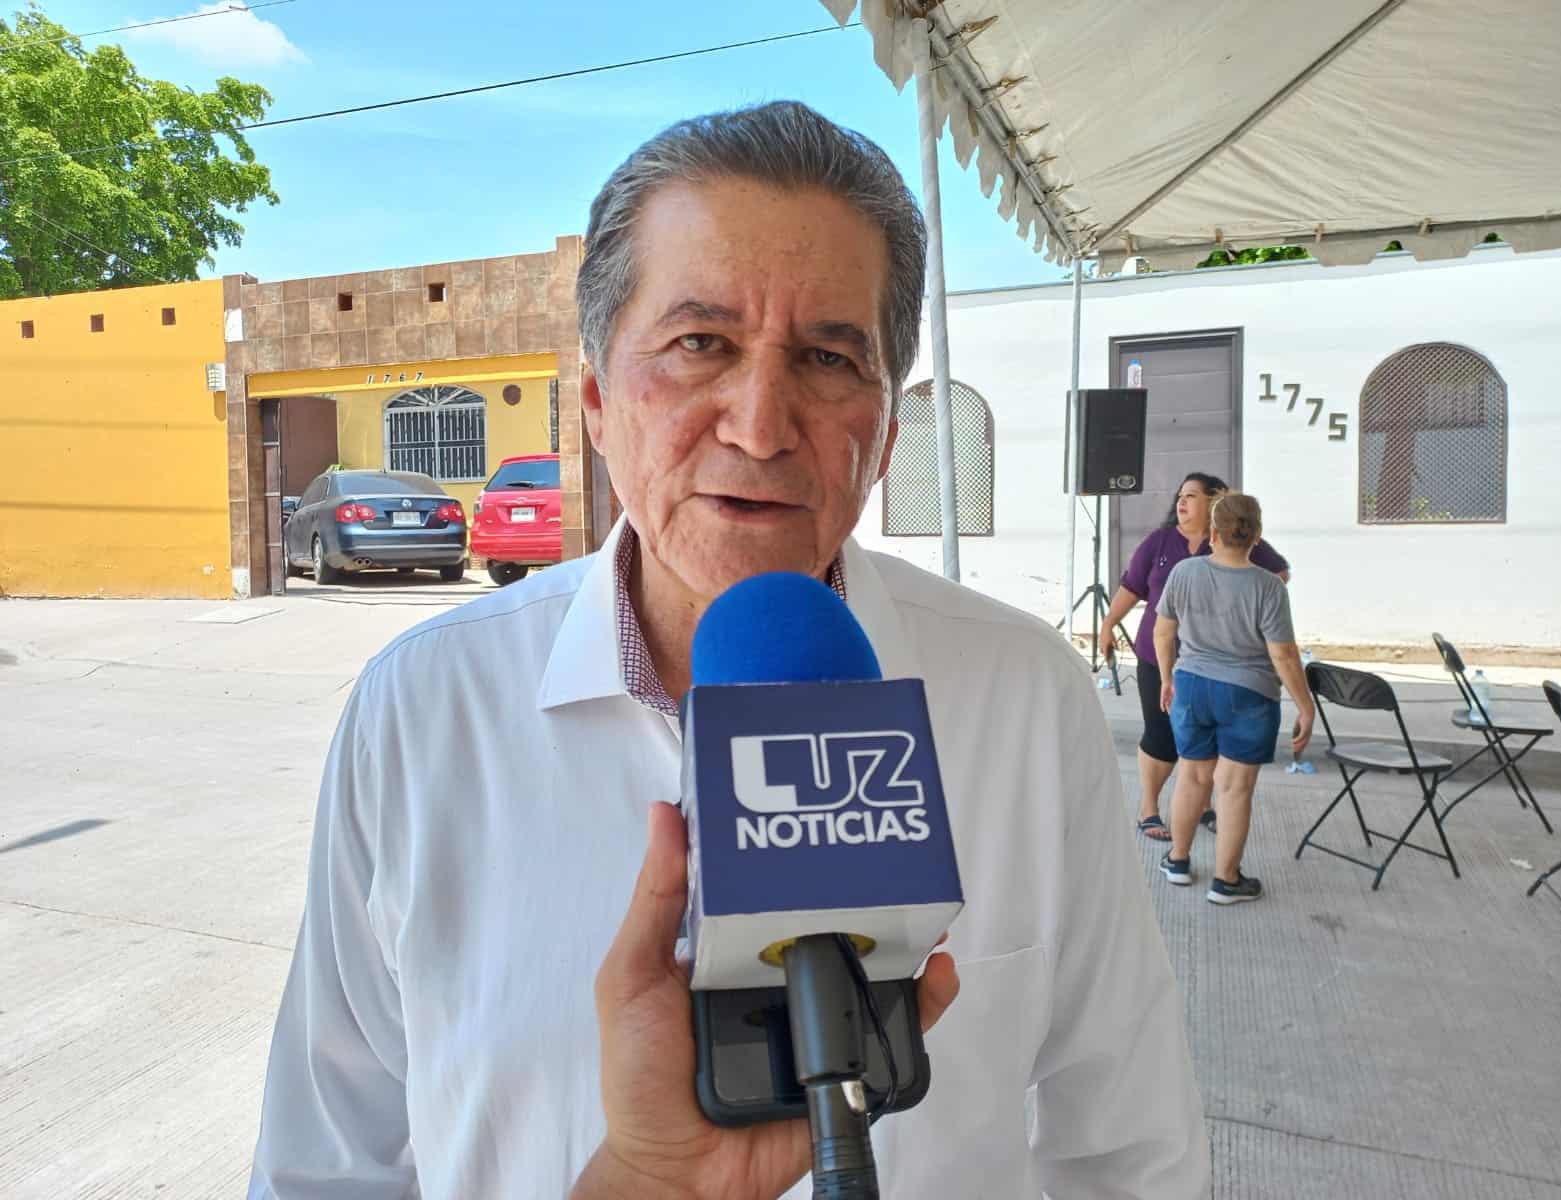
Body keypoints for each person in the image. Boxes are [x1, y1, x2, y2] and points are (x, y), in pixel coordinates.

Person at [247, 102, 1208, 1199]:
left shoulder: (1023, 699)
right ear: (599, 405)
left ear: (887, 432)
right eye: (699, 343)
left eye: (827, 357)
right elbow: (327, 1166)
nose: (760, 422)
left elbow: (1129, 1154)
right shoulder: (421, 712)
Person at [1099, 472, 1291, 842]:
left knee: (1207, 739)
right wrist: (1109, 624)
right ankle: (1149, 809)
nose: (1181, 503)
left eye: (1192, 496)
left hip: (1212, 662)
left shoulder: (1233, 541)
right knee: (1161, 734)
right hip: (1158, 658)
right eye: (1180, 496)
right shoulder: (1160, 542)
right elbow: (1131, 587)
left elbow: (1278, 574)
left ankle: (1201, 806)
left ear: (1215, 502)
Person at [1152, 494, 1315, 905]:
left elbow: (1162, 633)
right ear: (1256, 536)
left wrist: (1167, 678)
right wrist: (1305, 705)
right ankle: (1226, 880)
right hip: (1248, 692)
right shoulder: (1269, 587)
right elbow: (1283, 653)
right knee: (1234, 789)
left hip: (1191, 685)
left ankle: (1178, 860)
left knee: (1192, 776)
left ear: (1212, 532)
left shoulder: (1185, 573)